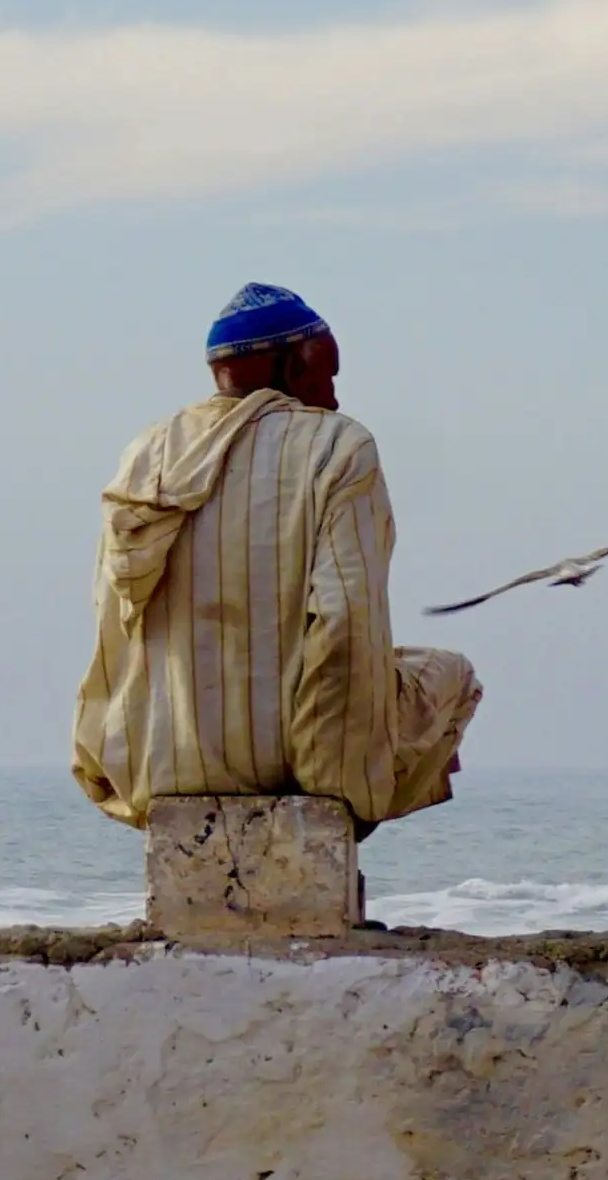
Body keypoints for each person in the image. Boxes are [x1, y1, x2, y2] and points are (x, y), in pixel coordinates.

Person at [72, 283, 481, 833]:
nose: (333, 399)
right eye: (327, 377)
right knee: (452, 675)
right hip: (288, 761)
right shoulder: (338, 446)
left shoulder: (146, 453)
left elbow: (113, 621)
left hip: (156, 763)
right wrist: (339, 781)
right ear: (293, 367)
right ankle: (343, 815)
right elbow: (344, 622)